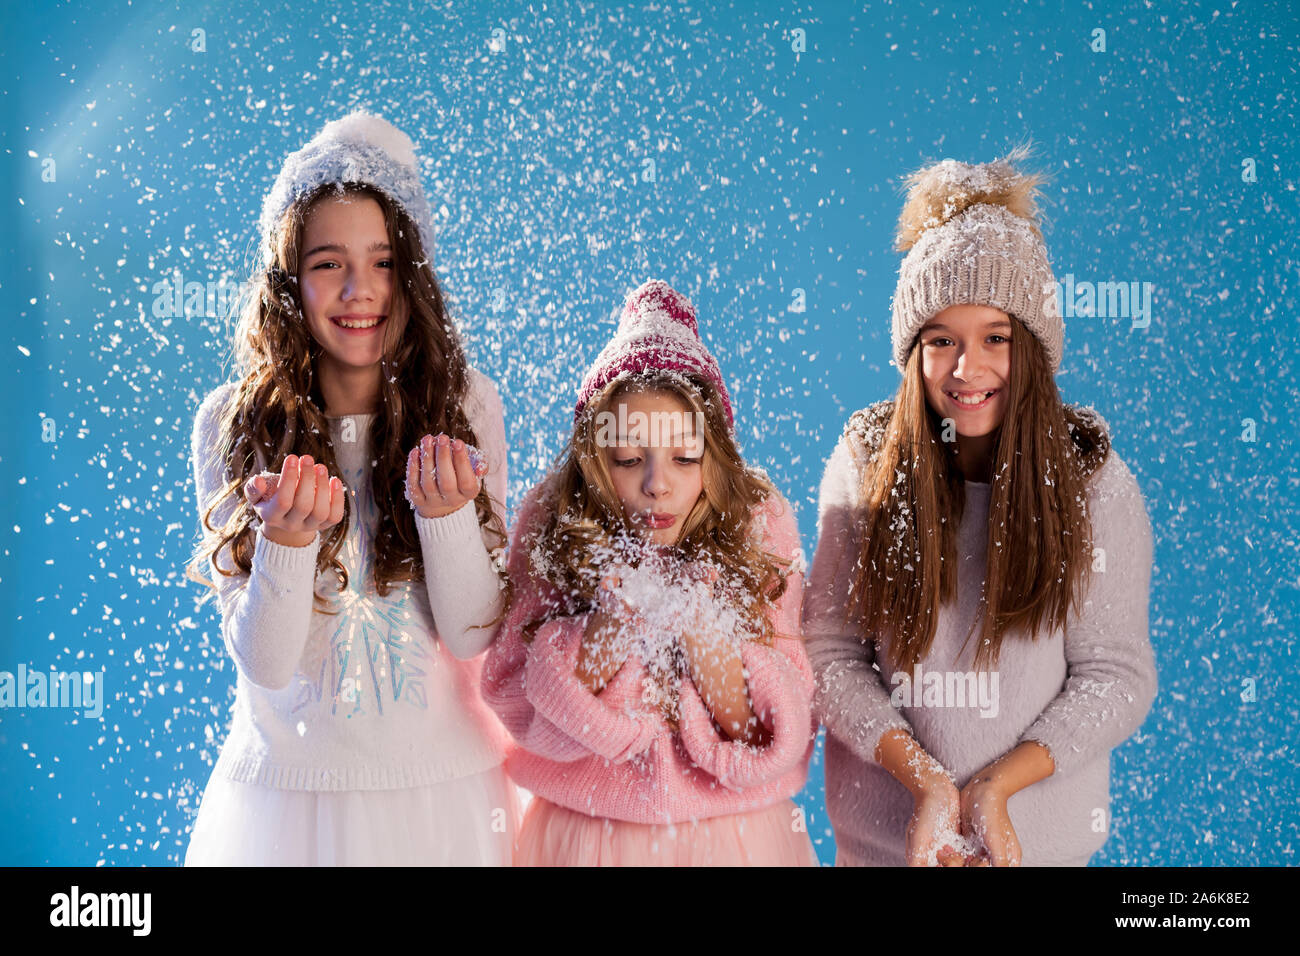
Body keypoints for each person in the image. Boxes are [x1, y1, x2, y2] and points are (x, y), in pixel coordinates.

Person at [805, 149, 1158, 866]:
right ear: (913, 353)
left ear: (1032, 348)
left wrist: (997, 786)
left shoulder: (1094, 483)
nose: (969, 370)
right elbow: (830, 652)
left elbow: (1115, 674)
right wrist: (925, 780)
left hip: (1037, 851)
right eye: (942, 341)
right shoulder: (866, 468)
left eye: (995, 338)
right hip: (885, 850)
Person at [185, 111, 520, 865]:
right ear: (289, 282)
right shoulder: (234, 427)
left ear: (413, 274)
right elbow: (267, 666)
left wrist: (447, 520)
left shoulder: (466, 408)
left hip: (446, 796)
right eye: (329, 263)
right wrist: (286, 544)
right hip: (287, 804)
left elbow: (475, 636)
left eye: (383, 262)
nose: (359, 291)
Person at [483, 279, 819, 865]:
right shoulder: (553, 523)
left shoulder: (758, 525)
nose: (656, 484)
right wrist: (608, 632)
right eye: (630, 459)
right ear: (595, 458)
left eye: (684, 459)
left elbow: (775, 733)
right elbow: (518, 706)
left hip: (733, 839)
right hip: (586, 837)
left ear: (713, 457)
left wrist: (702, 633)